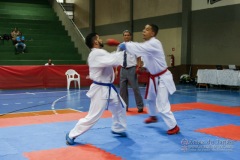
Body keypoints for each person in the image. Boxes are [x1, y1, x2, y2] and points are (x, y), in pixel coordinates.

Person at [66, 33, 127, 145]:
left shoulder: (99, 53)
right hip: (100, 89)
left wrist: (119, 49)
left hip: (108, 88)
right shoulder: (96, 54)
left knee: (120, 106)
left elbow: (111, 61)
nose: (101, 39)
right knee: (93, 116)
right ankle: (72, 134)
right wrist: (120, 48)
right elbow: (113, 60)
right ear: (95, 42)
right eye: (99, 38)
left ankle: (118, 128)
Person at [119, 24, 180, 135]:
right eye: (144, 29)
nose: (143, 31)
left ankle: (174, 126)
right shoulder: (148, 45)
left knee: (162, 103)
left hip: (162, 78)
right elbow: (147, 58)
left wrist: (125, 45)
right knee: (151, 99)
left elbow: (139, 48)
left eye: (147, 30)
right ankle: (153, 116)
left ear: (153, 33)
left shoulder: (154, 43)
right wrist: (143, 67)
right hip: (154, 77)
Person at [115, 30, 144, 113]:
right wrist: (116, 70)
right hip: (123, 69)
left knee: (135, 88)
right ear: (123, 36)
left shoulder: (134, 46)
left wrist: (138, 67)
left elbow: (138, 57)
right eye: (125, 35)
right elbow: (117, 58)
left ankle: (140, 106)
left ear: (130, 36)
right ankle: (124, 107)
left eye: (128, 35)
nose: (126, 36)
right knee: (122, 90)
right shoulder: (120, 46)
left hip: (132, 69)